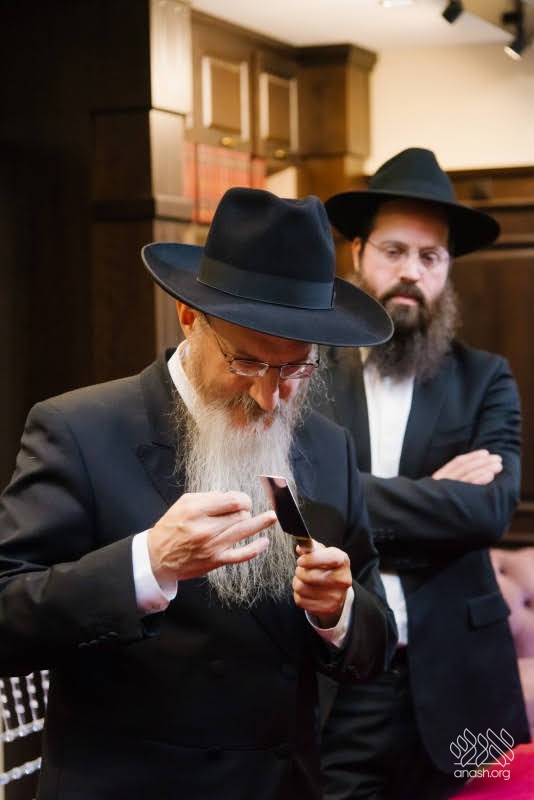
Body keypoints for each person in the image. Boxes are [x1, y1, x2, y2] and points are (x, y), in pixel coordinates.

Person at [0, 187, 397, 800]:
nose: (268, 397)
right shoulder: (79, 429)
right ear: (190, 318)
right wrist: (147, 564)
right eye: (246, 363)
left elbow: (376, 641)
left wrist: (337, 611)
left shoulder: (328, 446)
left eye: (295, 368)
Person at [314, 148, 531, 800]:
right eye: (394, 251)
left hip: (464, 681)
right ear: (358, 254)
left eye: (430, 257)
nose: (411, 271)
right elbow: (293, 494)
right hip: (341, 680)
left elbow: (489, 511)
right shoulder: (305, 371)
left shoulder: (485, 378)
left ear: (447, 270)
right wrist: (437, 499)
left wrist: (346, 502)